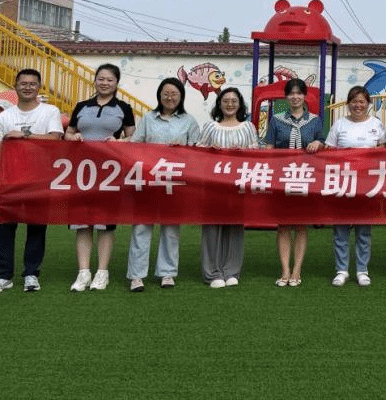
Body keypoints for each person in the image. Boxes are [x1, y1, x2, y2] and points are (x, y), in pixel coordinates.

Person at [0, 68, 65, 294]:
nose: (28, 87)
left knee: (37, 226)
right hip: (10, 179)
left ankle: (31, 273)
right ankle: (3, 276)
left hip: (40, 179)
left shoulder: (50, 111)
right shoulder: (4, 117)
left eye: (32, 84)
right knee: (4, 226)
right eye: (23, 83)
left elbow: (55, 139)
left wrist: (24, 135)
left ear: (38, 87)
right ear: (16, 86)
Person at [63, 63, 136, 292]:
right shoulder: (82, 106)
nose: (104, 83)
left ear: (116, 83)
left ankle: (102, 273)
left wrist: (119, 142)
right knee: (82, 223)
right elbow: (68, 132)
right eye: (101, 79)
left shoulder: (123, 108)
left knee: (105, 224)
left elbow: (134, 138)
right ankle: (83, 272)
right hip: (81, 171)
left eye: (109, 80)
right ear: (95, 81)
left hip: (109, 173)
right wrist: (73, 137)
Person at [125, 78, 201, 292]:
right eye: (166, 93)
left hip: (174, 182)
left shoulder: (189, 121)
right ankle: (136, 276)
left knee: (171, 228)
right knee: (141, 227)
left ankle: (167, 273)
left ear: (181, 96)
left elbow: (197, 150)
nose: (170, 97)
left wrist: (182, 149)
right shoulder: (148, 118)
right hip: (148, 180)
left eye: (174, 94)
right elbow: (135, 145)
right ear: (159, 95)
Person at [262, 78, 324, 287]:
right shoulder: (276, 120)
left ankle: (297, 269)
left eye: (299, 93)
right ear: (286, 97)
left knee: (301, 224)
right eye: (291, 93)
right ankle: (285, 270)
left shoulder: (315, 120)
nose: (295, 97)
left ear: (305, 96)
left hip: (306, 178)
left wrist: (318, 143)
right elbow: (269, 147)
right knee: (283, 225)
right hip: (282, 178)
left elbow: (323, 143)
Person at [325, 86, 386, 287]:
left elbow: (384, 149)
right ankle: (341, 270)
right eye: (354, 101)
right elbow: (329, 151)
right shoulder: (339, 124)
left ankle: (362, 270)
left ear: (368, 104)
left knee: (363, 230)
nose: (358, 105)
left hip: (367, 185)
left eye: (361, 101)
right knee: (341, 229)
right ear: (348, 104)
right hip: (343, 183)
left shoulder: (376, 124)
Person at [196, 87, 259, 288]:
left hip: (238, 185)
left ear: (240, 104)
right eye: (225, 101)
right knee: (212, 228)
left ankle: (232, 271)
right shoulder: (210, 127)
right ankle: (212, 272)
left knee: (234, 227)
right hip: (213, 185)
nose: (230, 104)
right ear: (219, 104)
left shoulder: (248, 127)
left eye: (234, 101)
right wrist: (210, 151)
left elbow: (256, 152)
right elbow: (198, 151)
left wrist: (244, 153)